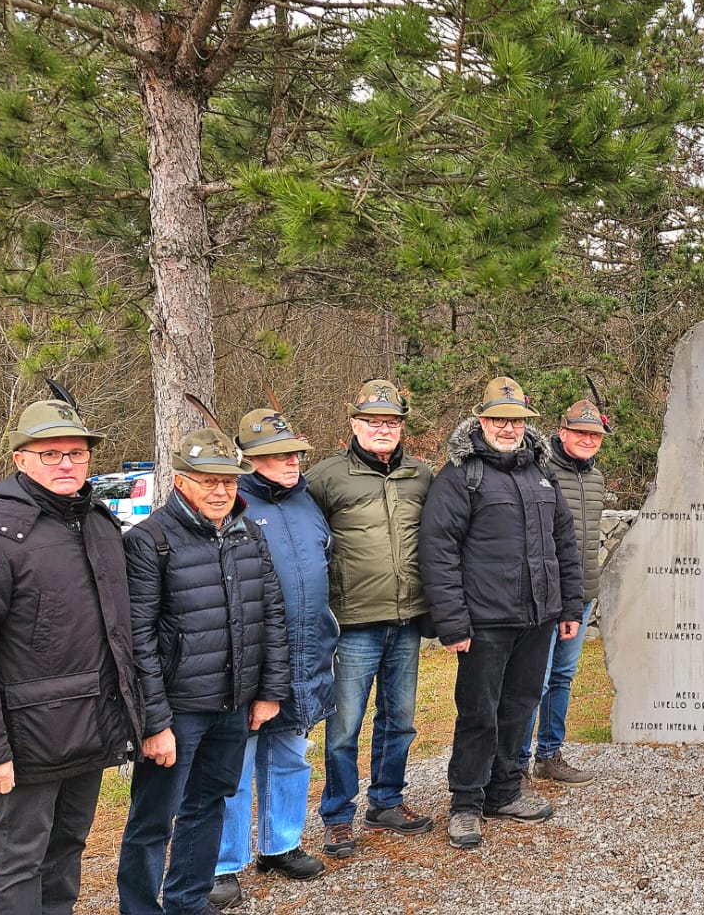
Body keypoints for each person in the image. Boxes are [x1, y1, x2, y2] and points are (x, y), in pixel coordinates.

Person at [0, 396, 141, 915]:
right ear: (21, 460)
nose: (66, 464)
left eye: (76, 454)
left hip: (90, 725)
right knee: (20, 860)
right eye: (51, 453)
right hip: (25, 739)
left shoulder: (99, 525)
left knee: (68, 850)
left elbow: (117, 633)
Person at [118, 427, 289, 915]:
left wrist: (268, 691)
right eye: (207, 481)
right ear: (180, 481)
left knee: (208, 805)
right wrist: (155, 723)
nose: (220, 492)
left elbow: (270, 614)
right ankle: (140, 908)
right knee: (153, 820)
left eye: (229, 483)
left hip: (233, 704)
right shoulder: (149, 541)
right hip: (177, 712)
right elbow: (138, 641)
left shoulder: (248, 534)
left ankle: (188, 901)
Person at [419, 376, 585, 850]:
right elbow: (439, 551)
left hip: (537, 618)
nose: (509, 428)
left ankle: (505, 791)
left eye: (516, 420)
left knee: (518, 709)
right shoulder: (459, 476)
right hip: (484, 621)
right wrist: (452, 622)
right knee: (478, 713)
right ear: (482, 420)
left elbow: (563, 546)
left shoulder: (542, 473)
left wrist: (568, 605)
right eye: (499, 420)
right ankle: (466, 803)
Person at [210, 406, 339, 909]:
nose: (291, 461)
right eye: (277, 454)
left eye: (295, 453)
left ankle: (279, 844)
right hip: (250, 660)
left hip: (307, 655)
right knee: (234, 764)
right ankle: (223, 862)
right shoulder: (231, 505)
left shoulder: (308, 502)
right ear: (249, 460)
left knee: (289, 755)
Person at [307, 379, 435, 856]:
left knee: (399, 720)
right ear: (354, 425)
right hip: (355, 621)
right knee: (344, 726)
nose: (383, 429)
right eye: (374, 421)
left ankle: (386, 800)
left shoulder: (422, 476)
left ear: (402, 427)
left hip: (407, 619)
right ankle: (338, 814)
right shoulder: (325, 478)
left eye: (392, 422)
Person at [520, 399, 611, 786]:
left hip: (582, 592)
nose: (588, 440)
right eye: (580, 432)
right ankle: (516, 761)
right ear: (562, 432)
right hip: (545, 596)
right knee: (533, 679)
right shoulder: (540, 472)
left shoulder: (596, 479)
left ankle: (549, 754)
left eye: (595, 435)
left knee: (563, 676)